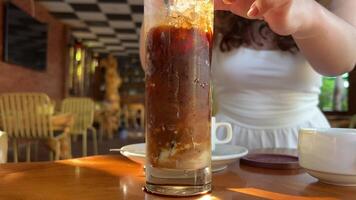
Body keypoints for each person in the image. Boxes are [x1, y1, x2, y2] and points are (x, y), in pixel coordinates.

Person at [141, 0, 356, 149]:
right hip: (227, 141)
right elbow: (159, 65)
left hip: (307, 141)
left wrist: (305, 12)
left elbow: (342, 61)